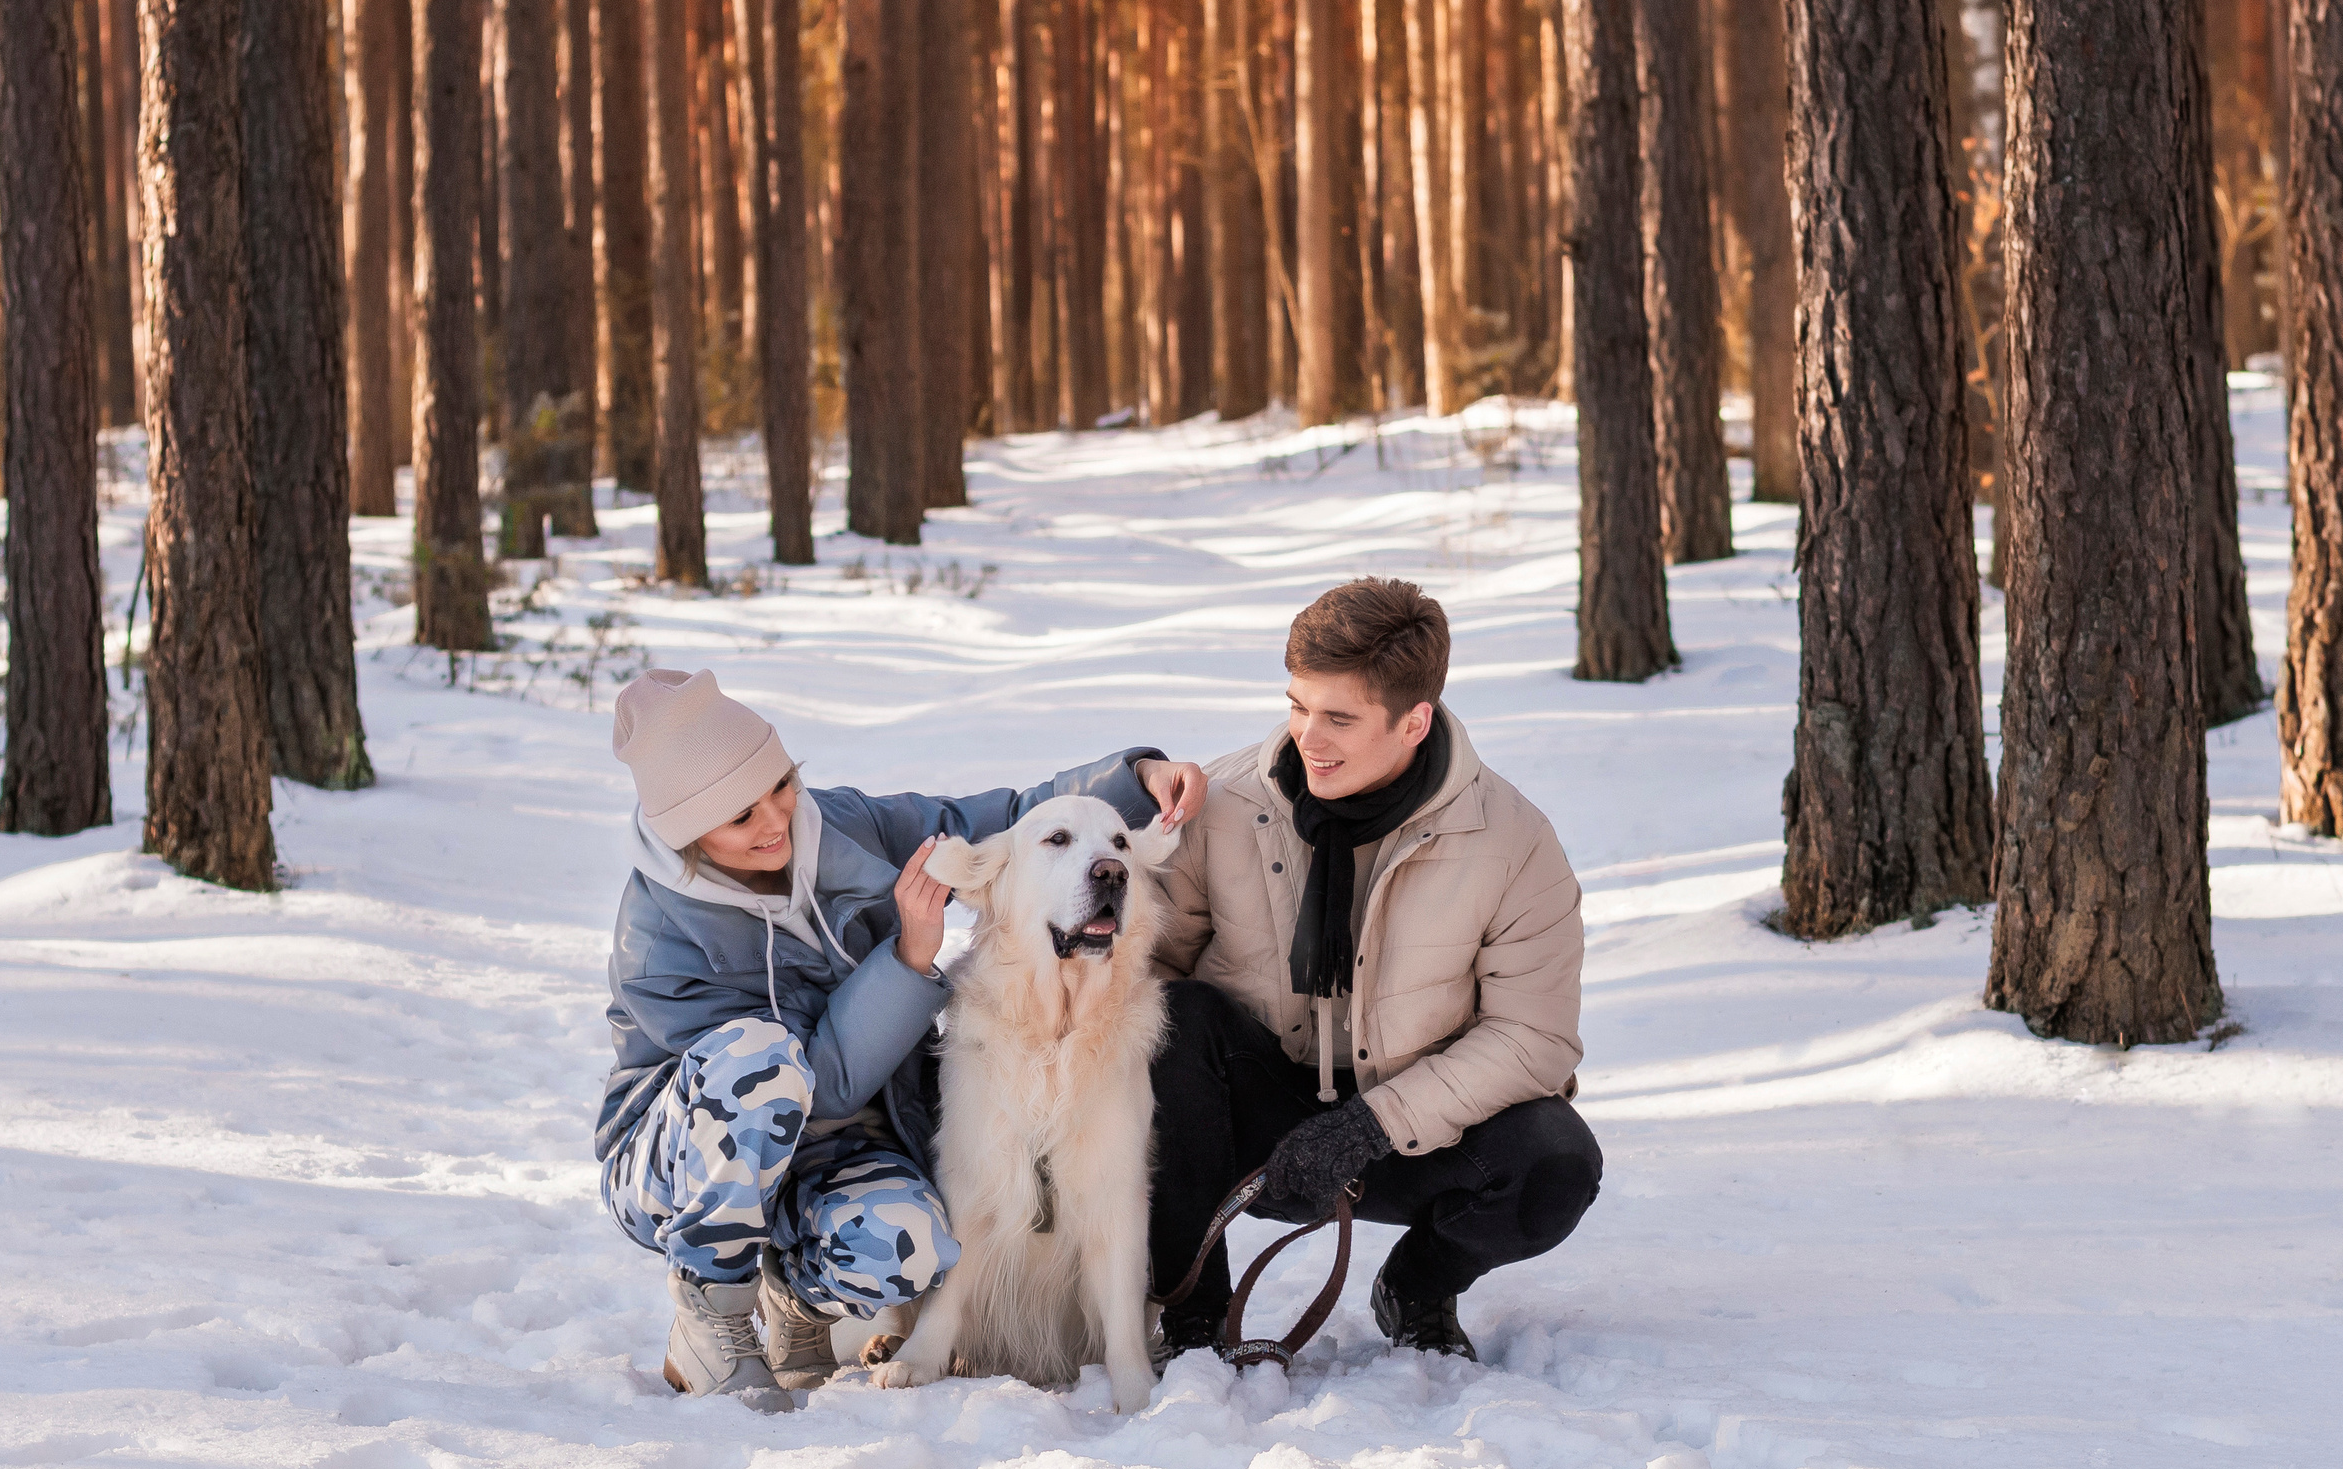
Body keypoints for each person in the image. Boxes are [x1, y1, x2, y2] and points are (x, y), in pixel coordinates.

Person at [598, 668, 1203, 1410]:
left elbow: (1005, 818)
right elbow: (807, 1088)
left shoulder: (841, 824)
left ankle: (799, 1304)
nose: (774, 823)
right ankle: (710, 1316)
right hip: (683, 1162)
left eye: (781, 787)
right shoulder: (659, 937)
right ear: (684, 831)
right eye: (738, 816)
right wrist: (909, 958)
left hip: (829, 1148)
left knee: (912, 1243)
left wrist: (1135, 778)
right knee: (761, 1059)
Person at [1148, 577, 1602, 1361]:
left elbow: (1534, 1038)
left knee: (1555, 1162)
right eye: (1297, 705)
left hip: (1409, 1127)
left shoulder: (1513, 841)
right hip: (1250, 1118)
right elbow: (1144, 974)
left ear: (1414, 720)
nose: (1306, 737)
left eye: (1338, 718)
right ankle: (1191, 1311)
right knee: (1166, 1021)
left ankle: (1418, 1288)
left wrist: (1370, 1124)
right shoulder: (1222, 806)